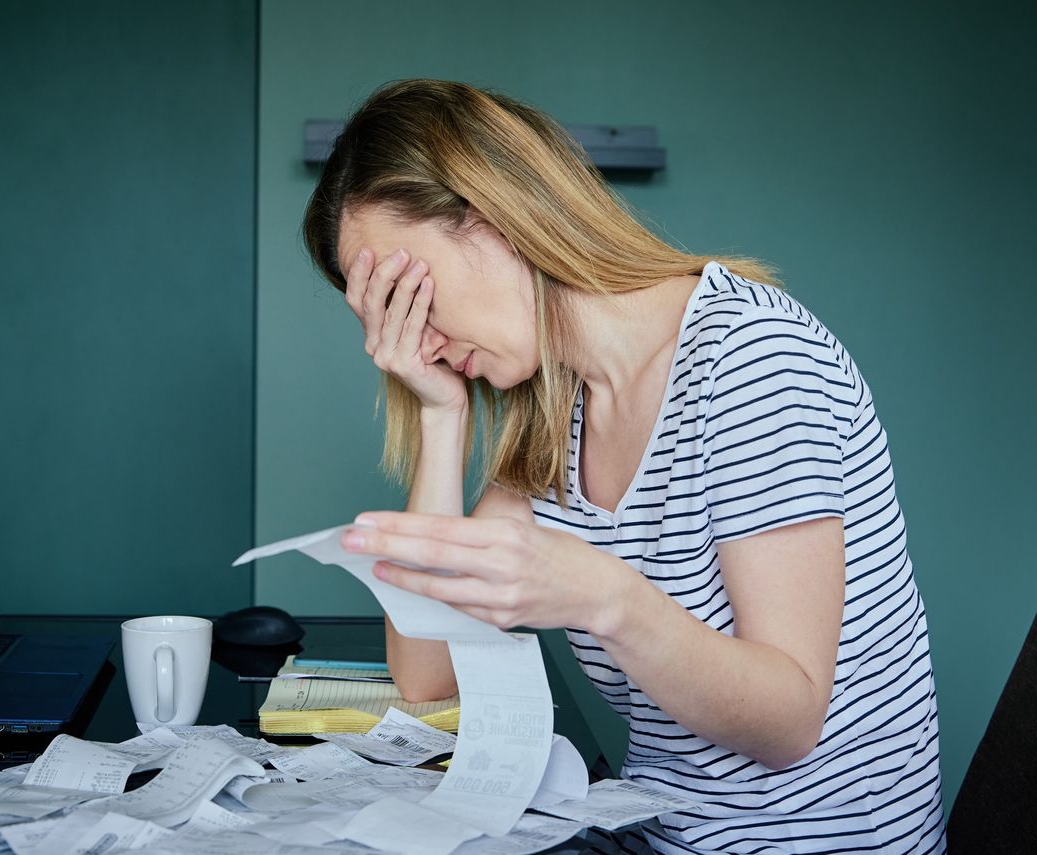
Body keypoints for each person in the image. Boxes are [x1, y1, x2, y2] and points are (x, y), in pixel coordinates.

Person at [300, 79, 946, 854]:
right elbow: (429, 674)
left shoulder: (753, 360)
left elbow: (789, 719)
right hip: (658, 831)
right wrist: (443, 417)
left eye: (407, 292)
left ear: (494, 214)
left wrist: (603, 593)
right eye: (382, 310)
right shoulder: (557, 410)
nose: (414, 336)